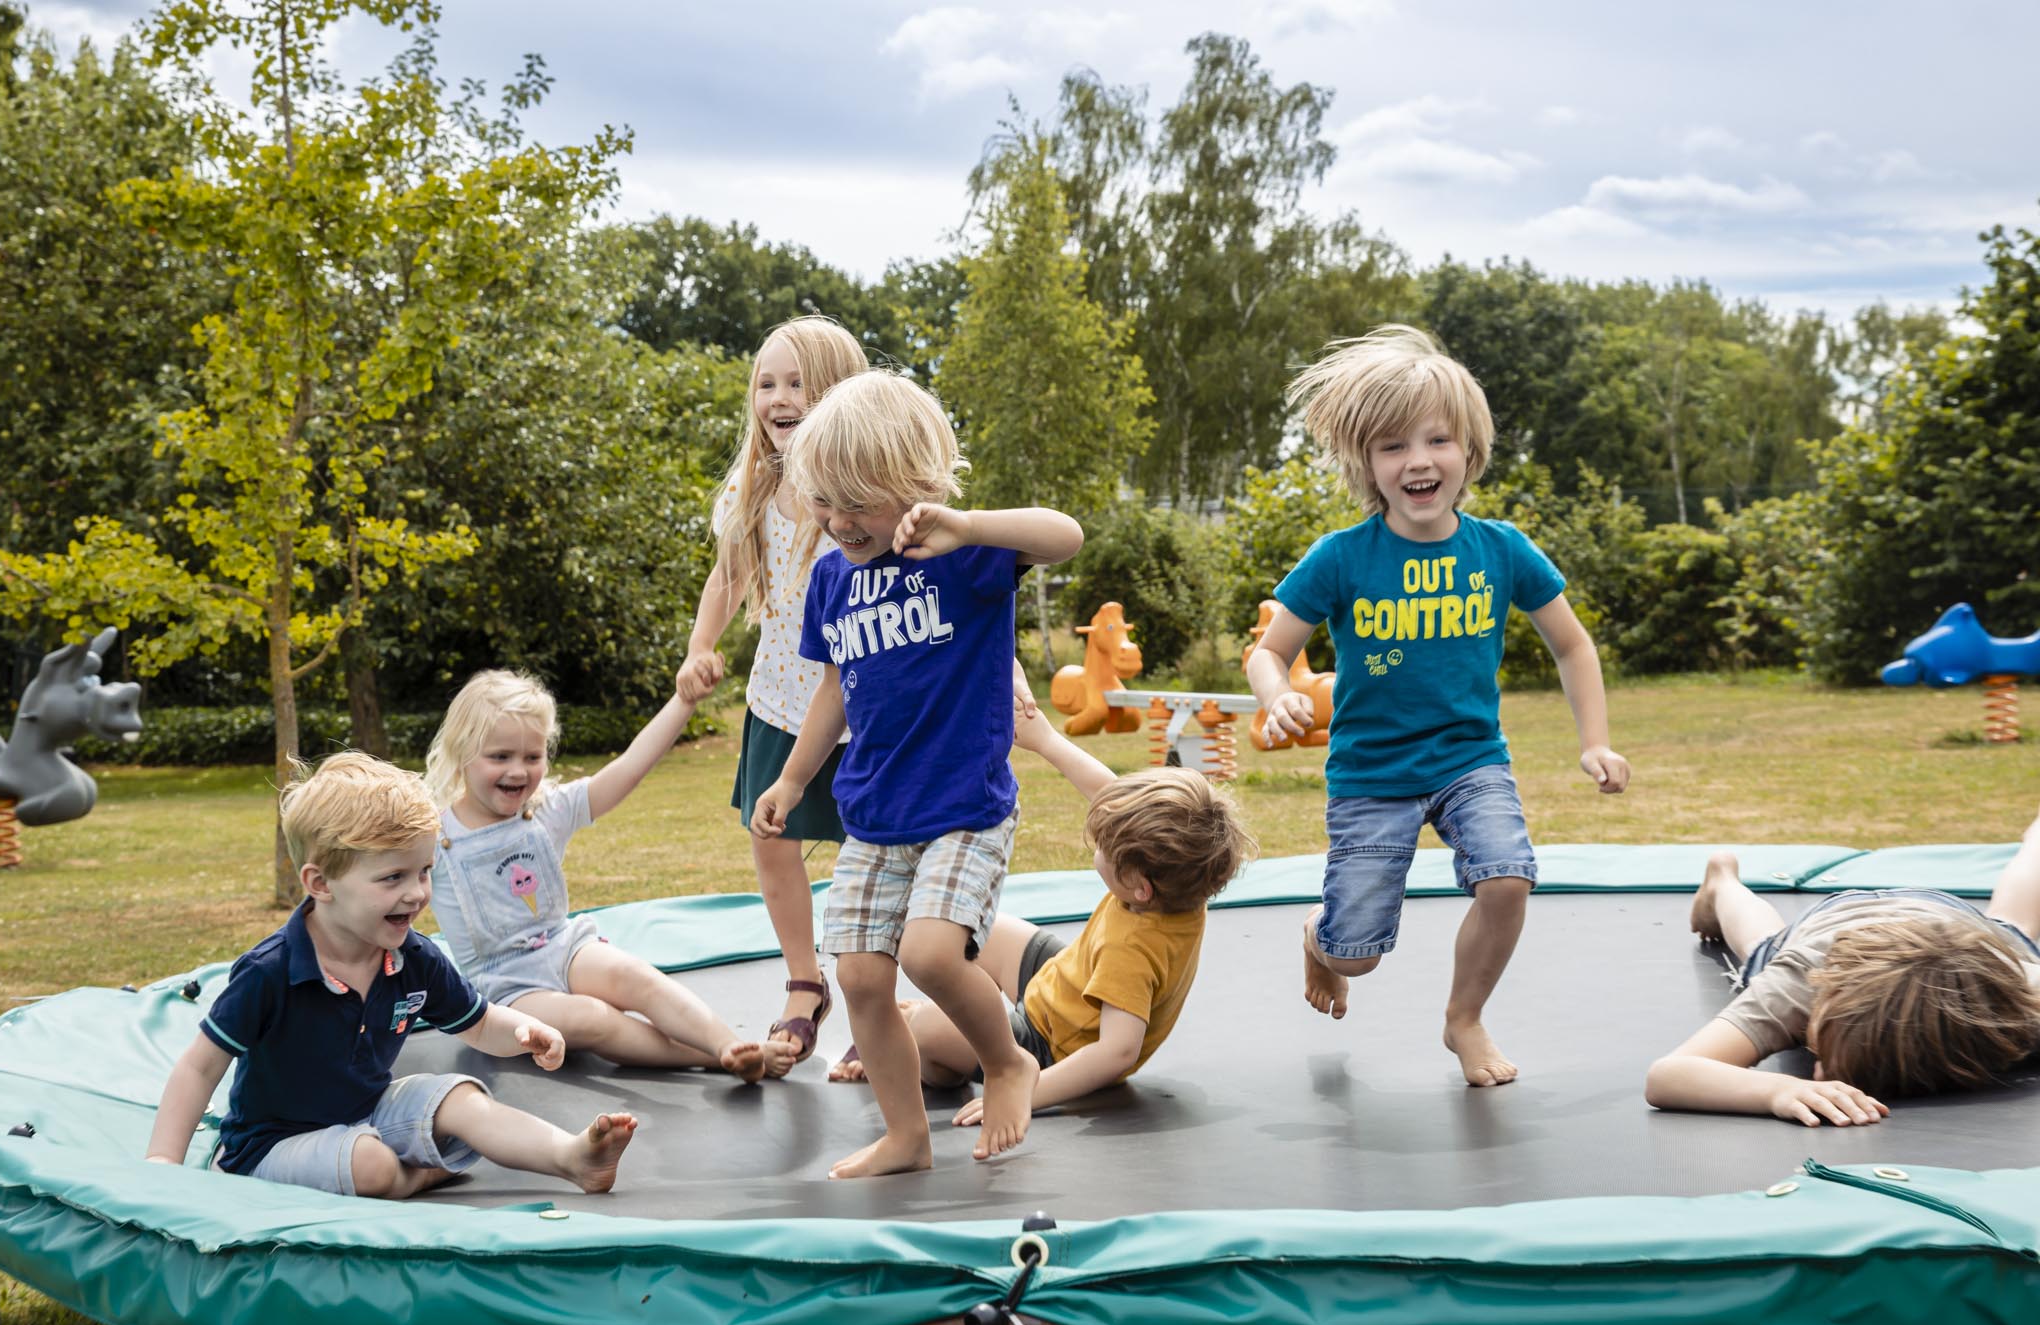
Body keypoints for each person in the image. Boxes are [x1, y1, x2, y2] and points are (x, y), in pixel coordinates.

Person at [1246, 325, 1630, 1088]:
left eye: (1437, 440)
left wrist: (1595, 741)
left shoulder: (1502, 549)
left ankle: (1464, 1017)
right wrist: (1278, 694)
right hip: (1370, 772)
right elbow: (1267, 650)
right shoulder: (1342, 557)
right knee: (1358, 952)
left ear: (1469, 451)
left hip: (1469, 758)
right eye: (1393, 446)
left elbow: (1573, 645)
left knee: (1508, 876)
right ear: (1368, 466)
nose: (1418, 460)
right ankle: (1322, 938)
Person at [751, 369, 1083, 1178]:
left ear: (916, 487)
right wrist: (795, 780)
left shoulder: (966, 557)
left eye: (856, 503)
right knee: (862, 975)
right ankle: (906, 1134)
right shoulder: (833, 577)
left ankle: (1008, 1062)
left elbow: (1064, 532)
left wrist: (965, 525)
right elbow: (835, 685)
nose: (837, 522)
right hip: (873, 813)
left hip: (963, 804)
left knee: (932, 956)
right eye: (823, 504)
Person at [144, 753, 637, 1198]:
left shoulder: (413, 959)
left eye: (423, 871)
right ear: (321, 884)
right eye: (392, 878)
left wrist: (524, 1033)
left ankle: (571, 1158)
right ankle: (420, 1175)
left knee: (460, 1098)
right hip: (273, 1145)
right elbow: (200, 1067)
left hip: (371, 1110)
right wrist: (163, 1161)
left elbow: (481, 1023)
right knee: (370, 1162)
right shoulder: (270, 972)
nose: (417, 893)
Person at [832, 691, 1257, 1128]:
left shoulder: (1130, 950)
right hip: (1065, 982)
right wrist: (1046, 740)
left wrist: (1028, 1094)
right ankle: (947, 1017)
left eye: (1106, 848)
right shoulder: (1180, 880)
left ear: (1140, 888)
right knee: (978, 932)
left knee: (927, 1031)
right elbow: (1110, 796)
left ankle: (929, 1056)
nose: (1098, 845)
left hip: (1051, 1047)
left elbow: (1117, 1052)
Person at [424, 670, 787, 1081]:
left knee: (635, 976)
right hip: (504, 988)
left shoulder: (543, 811)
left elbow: (630, 768)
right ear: (461, 752)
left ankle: (728, 1044)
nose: (519, 771)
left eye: (532, 757)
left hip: (563, 948)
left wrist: (684, 702)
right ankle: (712, 1058)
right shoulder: (434, 838)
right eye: (500, 757)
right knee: (592, 1018)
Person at [678, 316, 868, 1070]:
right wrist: (700, 646)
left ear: (840, 395)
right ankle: (804, 981)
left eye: (798, 383)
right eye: (767, 383)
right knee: (772, 840)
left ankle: (876, 997)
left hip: (864, 710)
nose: (780, 398)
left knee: (872, 853)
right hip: (779, 698)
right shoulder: (750, 486)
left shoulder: (861, 488)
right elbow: (728, 576)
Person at [1646, 820, 2040, 1125]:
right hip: (1833, 929)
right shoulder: (1801, 981)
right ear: (1817, 1012)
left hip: (1959, 935)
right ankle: (1722, 884)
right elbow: (1669, 1075)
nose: (1820, 1074)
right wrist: (1775, 1091)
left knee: (2012, 922)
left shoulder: (2014, 1001)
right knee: (1763, 947)